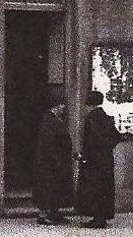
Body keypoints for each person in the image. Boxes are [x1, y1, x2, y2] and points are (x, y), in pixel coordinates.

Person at [76, 90, 122, 229]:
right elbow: (117, 136)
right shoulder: (105, 116)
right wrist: (106, 149)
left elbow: (93, 141)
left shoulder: (92, 118)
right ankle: (100, 217)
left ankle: (98, 219)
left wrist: (84, 157)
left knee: (94, 189)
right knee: (104, 189)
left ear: (89, 104)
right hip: (106, 159)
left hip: (94, 162)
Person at [33, 91, 73, 225]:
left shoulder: (53, 119)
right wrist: (57, 160)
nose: (63, 108)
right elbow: (49, 144)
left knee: (56, 188)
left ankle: (54, 213)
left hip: (56, 160)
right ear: (56, 106)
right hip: (50, 162)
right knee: (48, 187)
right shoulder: (49, 120)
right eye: (62, 106)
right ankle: (44, 214)